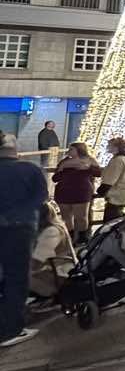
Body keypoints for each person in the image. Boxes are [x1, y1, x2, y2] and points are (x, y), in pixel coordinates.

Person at [0, 133, 49, 346]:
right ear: (14, 150)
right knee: (17, 278)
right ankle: (11, 329)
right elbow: (40, 198)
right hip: (20, 230)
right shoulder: (30, 170)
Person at [52, 142, 100, 244]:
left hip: (81, 192)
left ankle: (82, 238)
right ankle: (69, 238)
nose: (69, 151)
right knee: (66, 217)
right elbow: (55, 178)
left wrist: (88, 167)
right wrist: (62, 169)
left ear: (79, 150)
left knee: (81, 217)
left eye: (72, 149)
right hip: (64, 191)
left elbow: (98, 173)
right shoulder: (65, 161)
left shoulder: (90, 160)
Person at [28, 202, 74, 309]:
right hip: (52, 272)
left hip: (58, 278)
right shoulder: (48, 228)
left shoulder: (51, 231)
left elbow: (36, 262)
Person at [96, 137, 125, 223]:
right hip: (123, 194)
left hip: (116, 195)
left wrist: (101, 190)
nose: (107, 147)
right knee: (116, 217)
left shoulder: (118, 160)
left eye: (109, 145)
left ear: (115, 147)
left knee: (110, 221)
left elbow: (111, 178)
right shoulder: (124, 159)